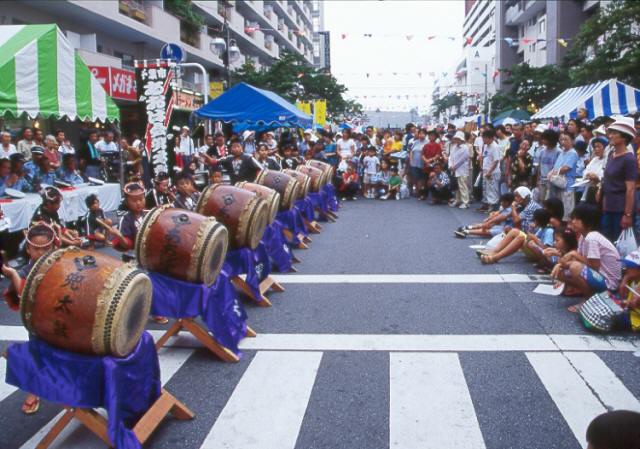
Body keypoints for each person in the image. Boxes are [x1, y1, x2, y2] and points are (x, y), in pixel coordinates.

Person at [2, 222, 59, 414]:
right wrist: (12, 275)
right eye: (37, 248)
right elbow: (24, 293)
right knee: (38, 356)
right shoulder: (24, 272)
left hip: (62, 320)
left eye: (47, 248)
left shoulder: (61, 264)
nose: (42, 253)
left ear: (54, 247)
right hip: (38, 325)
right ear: (28, 249)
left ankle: (19, 354)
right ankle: (34, 391)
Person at [552, 203, 621, 305]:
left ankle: (589, 301)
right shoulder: (583, 237)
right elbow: (578, 260)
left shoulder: (592, 237)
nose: (573, 221)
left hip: (609, 283)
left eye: (577, 219)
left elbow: (594, 266)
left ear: (588, 221)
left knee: (574, 267)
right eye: (573, 218)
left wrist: (574, 255)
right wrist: (560, 264)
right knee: (561, 270)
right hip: (598, 276)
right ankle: (582, 291)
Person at [599, 117, 637, 241]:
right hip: (608, 206)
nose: (610, 136)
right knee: (607, 240)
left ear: (624, 138)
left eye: (614, 133)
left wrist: (627, 214)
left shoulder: (629, 159)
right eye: (611, 132)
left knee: (618, 242)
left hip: (620, 208)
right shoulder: (611, 154)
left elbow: (630, 189)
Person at [479, 208, 555, 265]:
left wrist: (535, 239)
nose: (534, 222)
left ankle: (495, 257)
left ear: (539, 220)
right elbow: (531, 237)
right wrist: (531, 231)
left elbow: (547, 250)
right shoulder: (541, 228)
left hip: (541, 255)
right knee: (514, 231)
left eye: (535, 220)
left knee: (521, 237)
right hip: (533, 248)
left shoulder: (549, 231)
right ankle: (494, 251)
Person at [548, 131, 579, 220]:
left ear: (572, 141)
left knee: (567, 212)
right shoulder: (562, 152)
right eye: (562, 139)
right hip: (558, 184)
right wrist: (552, 172)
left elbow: (566, 168)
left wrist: (554, 172)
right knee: (559, 211)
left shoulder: (573, 153)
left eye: (566, 139)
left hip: (567, 185)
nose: (563, 142)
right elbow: (556, 166)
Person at [534, 129, 560, 202]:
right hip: (542, 179)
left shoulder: (558, 151)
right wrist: (537, 179)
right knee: (542, 199)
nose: (543, 141)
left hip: (552, 180)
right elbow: (540, 166)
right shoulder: (542, 151)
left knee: (550, 200)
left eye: (545, 139)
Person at [479, 128, 501, 212]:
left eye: (484, 138)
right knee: (487, 189)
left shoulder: (495, 146)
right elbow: (485, 157)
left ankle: (493, 207)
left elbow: (496, 161)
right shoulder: (486, 146)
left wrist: (489, 171)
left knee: (493, 189)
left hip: (493, 172)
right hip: (486, 170)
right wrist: (482, 167)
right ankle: (488, 205)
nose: (483, 140)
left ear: (490, 138)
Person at [448, 130, 471, 208]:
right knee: (457, 186)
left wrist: (454, 166)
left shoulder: (465, 148)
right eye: (456, 138)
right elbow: (450, 157)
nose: (456, 140)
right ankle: (458, 200)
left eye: (458, 138)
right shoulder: (454, 147)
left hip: (462, 169)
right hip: (454, 169)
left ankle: (465, 202)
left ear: (461, 139)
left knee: (463, 186)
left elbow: (462, 159)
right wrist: (450, 165)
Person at [581, 136, 607, 203]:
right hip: (589, 190)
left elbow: (604, 176)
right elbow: (585, 171)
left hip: (600, 192)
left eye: (599, 147)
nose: (596, 149)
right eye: (595, 147)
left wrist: (596, 177)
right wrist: (588, 174)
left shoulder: (608, 160)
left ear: (605, 148)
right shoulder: (595, 159)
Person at [409, 128, 427, 199]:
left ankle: (421, 192)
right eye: (420, 133)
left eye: (423, 133)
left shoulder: (427, 142)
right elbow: (411, 151)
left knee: (422, 178)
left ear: (425, 135)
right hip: (414, 163)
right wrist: (411, 160)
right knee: (416, 178)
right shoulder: (415, 142)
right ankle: (417, 191)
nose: (421, 135)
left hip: (423, 163)